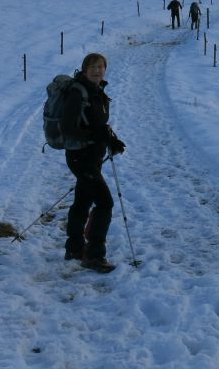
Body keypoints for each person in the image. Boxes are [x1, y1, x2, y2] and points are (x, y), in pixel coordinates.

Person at [60, 52, 127, 273]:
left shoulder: (97, 91)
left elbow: (99, 125)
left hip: (92, 157)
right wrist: (93, 137)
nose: (97, 70)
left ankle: (74, 249)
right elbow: (68, 127)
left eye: (100, 66)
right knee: (105, 202)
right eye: (92, 67)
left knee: (82, 202)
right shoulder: (77, 92)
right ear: (84, 69)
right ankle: (95, 255)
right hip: (81, 157)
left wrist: (112, 140)